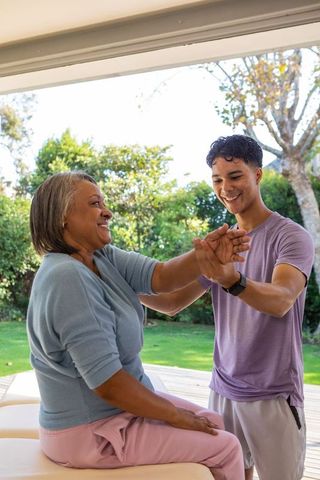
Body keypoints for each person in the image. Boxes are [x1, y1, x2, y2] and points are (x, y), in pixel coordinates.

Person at [27, 171, 250, 480]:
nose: (107, 211)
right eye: (95, 203)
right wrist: (175, 416)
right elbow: (108, 383)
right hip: (89, 432)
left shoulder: (100, 257)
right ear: (63, 216)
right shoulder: (67, 277)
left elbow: (162, 277)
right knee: (226, 448)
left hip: (113, 413)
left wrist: (206, 256)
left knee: (213, 421)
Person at [140, 135, 315, 480]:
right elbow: (172, 301)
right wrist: (113, 277)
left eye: (235, 176)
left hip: (273, 393)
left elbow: (281, 299)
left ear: (258, 175)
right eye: (217, 180)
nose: (225, 188)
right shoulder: (221, 242)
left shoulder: (290, 237)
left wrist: (231, 280)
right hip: (223, 388)